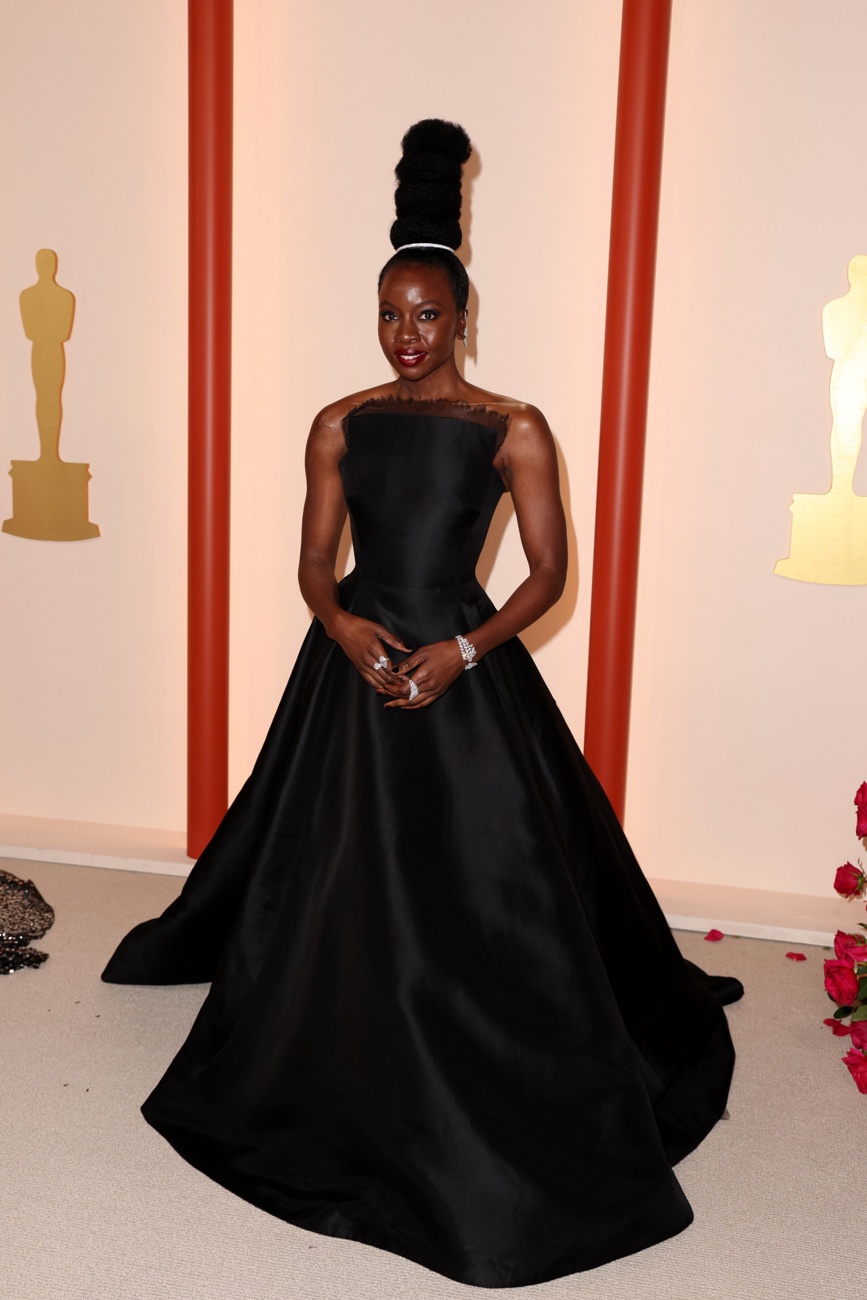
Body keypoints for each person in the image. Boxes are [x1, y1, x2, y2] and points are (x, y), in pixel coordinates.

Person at [103, 120, 744, 1289]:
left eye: (428, 315)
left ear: (464, 318)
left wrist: (463, 648)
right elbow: (312, 563)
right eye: (390, 314)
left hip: (458, 662)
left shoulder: (515, 430)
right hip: (353, 671)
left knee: (499, 884)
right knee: (327, 874)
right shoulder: (338, 424)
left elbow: (550, 576)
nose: (407, 336)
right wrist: (339, 623)